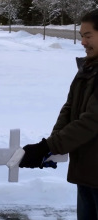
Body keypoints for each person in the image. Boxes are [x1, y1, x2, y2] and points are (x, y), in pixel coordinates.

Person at [19, 9, 98, 220]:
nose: (82, 42)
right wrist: (52, 146)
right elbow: (69, 108)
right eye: (81, 35)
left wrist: (48, 146)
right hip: (88, 173)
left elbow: (91, 122)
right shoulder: (87, 69)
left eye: (88, 35)